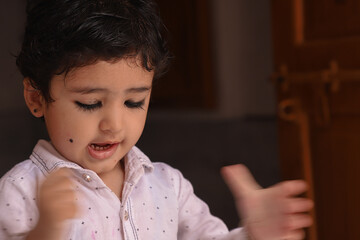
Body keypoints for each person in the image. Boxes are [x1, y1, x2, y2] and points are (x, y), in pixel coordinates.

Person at [0, 0, 313, 239]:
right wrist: (45, 230)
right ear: (36, 98)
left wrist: (252, 234)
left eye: (134, 101)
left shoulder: (168, 185)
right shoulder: (21, 191)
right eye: (90, 103)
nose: (114, 124)